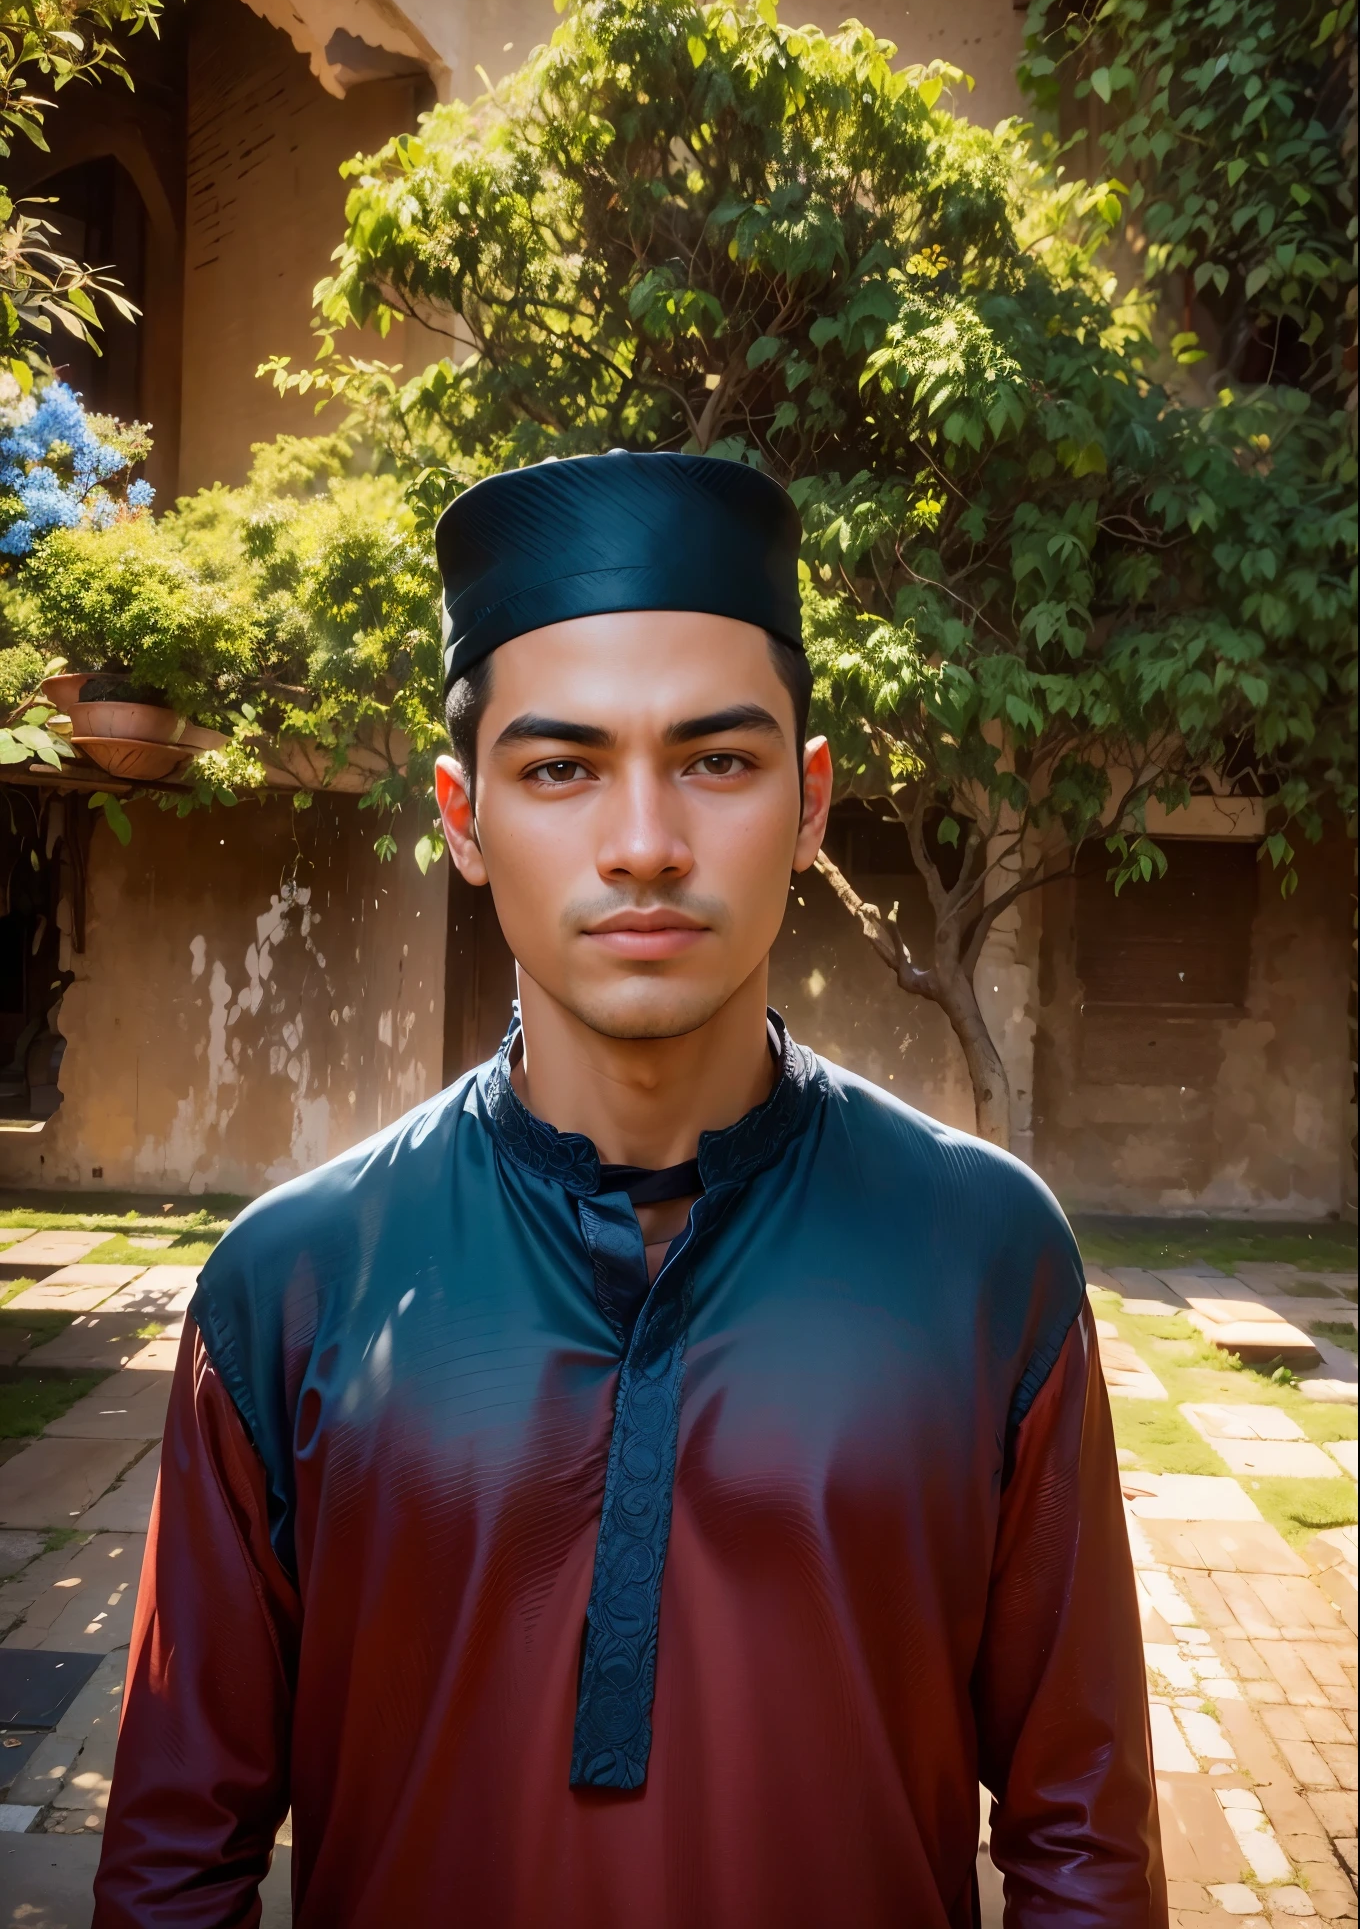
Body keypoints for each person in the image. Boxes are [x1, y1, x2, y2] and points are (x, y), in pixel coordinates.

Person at [94, 452, 1165, 1928]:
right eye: (561, 768)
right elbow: (173, 1865)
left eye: (717, 761)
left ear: (809, 801)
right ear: (464, 817)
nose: (646, 844)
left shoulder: (987, 1255)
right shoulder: (291, 1285)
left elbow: (1083, 1840)